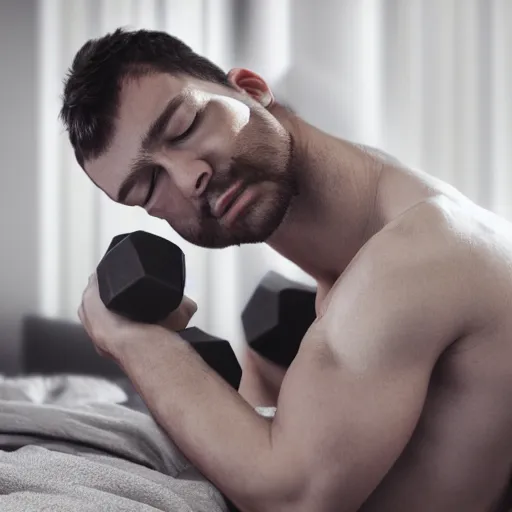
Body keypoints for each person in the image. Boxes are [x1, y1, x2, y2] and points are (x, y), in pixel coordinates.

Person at [59, 28, 512, 512]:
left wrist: (132, 341)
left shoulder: (415, 253)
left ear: (251, 89)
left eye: (186, 125)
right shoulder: (369, 241)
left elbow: (292, 499)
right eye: (148, 186)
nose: (190, 178)